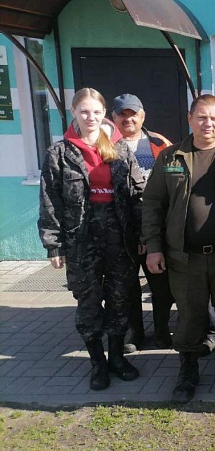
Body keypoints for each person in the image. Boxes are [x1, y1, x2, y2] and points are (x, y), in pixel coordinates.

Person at [142, 94, 215, 402]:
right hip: (185, 258)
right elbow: (152, 203)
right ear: (190, 119)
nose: (208, 123)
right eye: (202, 117)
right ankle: (188, 370)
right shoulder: (170, 157)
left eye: (214, 118)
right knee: (190, 316)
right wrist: (153, 247)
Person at [39, 88, 144, 391]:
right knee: (88, 302)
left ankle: (117, 358)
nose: (90, 117)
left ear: (104, 114)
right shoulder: (59, 153)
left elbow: (137, 193)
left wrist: (142, 235)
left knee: (120, 299)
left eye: (96, 112)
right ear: (73, 112)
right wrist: (54, 244)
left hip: (119, 240)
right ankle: (97, 363)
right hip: (80, 241)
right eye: (84, 111)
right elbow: (50, 200)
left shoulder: (119, 148)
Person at [111, 93, 175, 353]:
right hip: (121, 232)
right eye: (122, 114)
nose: (128, 119)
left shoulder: (160, 144)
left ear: (142, 116)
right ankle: (134, 332)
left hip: (156, 230)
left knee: (161, 287)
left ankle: (161, 330)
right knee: (128, 287)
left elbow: (173, 187)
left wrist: (152, 235)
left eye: (133, 114)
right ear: (113, 117)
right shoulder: (106, 146)